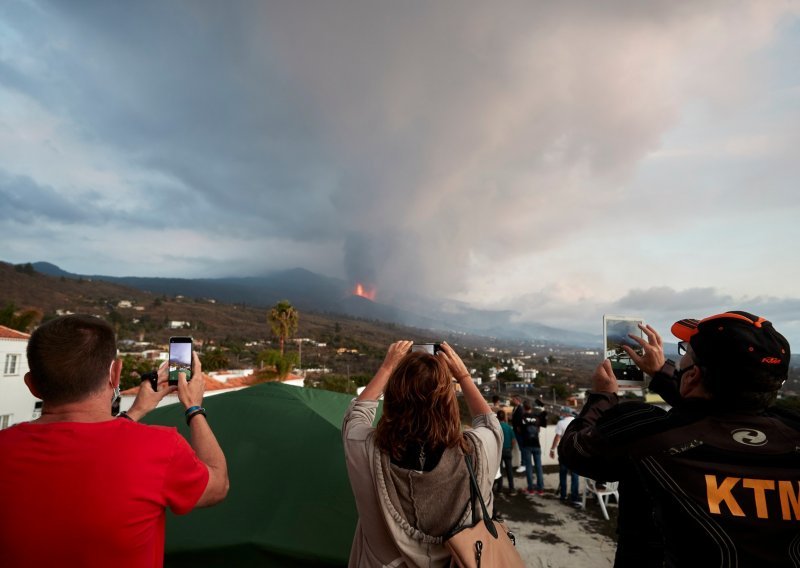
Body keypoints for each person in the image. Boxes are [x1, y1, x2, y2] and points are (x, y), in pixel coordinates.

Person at [560, 311, 800, 567]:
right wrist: (663, 374)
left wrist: (602, 396)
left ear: (693, 374)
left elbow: (574, 450)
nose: (680, 359)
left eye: (686, 352)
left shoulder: (645, 432)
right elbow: (716, 412)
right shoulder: (792, 432)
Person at [0, 315, 229, 568]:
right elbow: (218, 485)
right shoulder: (160, 448)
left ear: (31, 385)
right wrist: (193, 407)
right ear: (115, 373)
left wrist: (136, 411)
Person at [342, 341, 502, 567]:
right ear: (448, 401)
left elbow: (356, 415)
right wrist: (463, 376)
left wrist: (388, 367)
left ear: (393, 398)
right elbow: (490, 425)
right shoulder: (477, 453)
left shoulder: (364, 449)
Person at [550, 408, 580, 506]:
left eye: (562, 412)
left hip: (564, 452)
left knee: (563, 474)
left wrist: (552, 449)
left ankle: (563, 496)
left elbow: (557, 437)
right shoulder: (578, 422)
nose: (561, 414)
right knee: (575, 475)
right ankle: (574, 497)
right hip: (575, 453)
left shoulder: (561, 423)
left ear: (565, 413)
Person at [520, 400, 545, 495]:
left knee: (529, 467)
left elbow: (519, 430)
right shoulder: (536, 417)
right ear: (531, 407)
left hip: (527, 445)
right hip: (536, 444)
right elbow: (538, 429)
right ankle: (540, 489)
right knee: (539, 467)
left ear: (524, 408)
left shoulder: (522, 418)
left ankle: (530, 489)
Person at [495, 409, 515, 492]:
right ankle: (512, 489)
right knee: (509, 470)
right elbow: (513, 440)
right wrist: (510, 448)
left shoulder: (496, 428)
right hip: (507, 450)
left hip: (499, 451)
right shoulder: (509, 427)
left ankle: (499, 488)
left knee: (499, 470)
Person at [510, 395, 526, 473]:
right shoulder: (515, 408)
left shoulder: (520, 409)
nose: (512, 401)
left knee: (522, 448)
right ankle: (523, 464)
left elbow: (521, 419)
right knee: (521, 448)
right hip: (516, 430)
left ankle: (524, 464)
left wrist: (519, 427)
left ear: (518, 400)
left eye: (513, 399)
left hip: (520, 432)